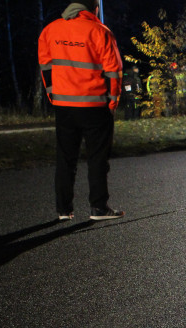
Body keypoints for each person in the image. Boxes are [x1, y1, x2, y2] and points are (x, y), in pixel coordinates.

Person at [38, 0, 124, 221]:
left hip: (64, 106)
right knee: (97, 158)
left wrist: (52, 95)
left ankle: (63, 210)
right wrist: (112, 103)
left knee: (65, 158)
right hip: (95, 105)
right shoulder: (100, 31)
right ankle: (98, 208)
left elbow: (45, 66)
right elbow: (114, 71)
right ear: (93, 8)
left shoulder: (50, 30)